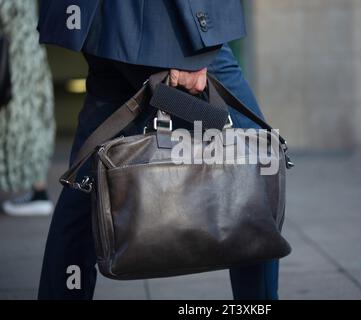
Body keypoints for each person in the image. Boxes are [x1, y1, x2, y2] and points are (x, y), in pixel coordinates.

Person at [37, 0, 279, 300]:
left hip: (107, 22)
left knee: (88, 180)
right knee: (254, 164)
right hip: (166, 28)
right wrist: (190, 49)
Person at [0, 0, 55, 217]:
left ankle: (38, 193)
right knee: (35, 121)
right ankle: (37, 191)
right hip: (28, 55)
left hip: (15, 61)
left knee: (21, 123)